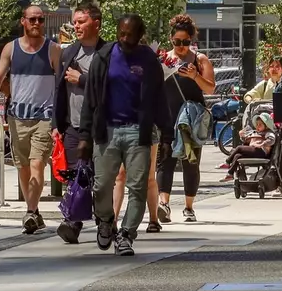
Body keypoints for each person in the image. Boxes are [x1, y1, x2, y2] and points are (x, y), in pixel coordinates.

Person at [79, 13, 173, 256]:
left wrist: (166, 136)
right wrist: (84, 137)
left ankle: (127, 235)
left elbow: (159, 100)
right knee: (101, 186)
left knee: (137, 187)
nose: (125, 38)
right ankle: (106, 221)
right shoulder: (104, 57)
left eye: (130, 34)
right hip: (106, 131)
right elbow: (91, 99)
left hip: (137, 132)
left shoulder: (149, 60)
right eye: (121, 32)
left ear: (140, 35)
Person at [0, 3, 61, 235]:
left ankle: (29, 212)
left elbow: (61, 85)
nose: (36, 23)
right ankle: (35, 210)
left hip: (44, 118)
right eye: (32, 19)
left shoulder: (53, 50)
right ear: (23, 21)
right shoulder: (11, 49)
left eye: (40, 19)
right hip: (17, 117)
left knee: (37, 163)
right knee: (24, 167)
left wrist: (61, 119)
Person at [52, 3, 111, 244]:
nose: (76, 26)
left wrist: (82, 79)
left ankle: (103, 222)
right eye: (74, 21)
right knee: (76, 176)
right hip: (73, 127)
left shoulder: (108, 53)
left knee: (100, 179)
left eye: (81, 21)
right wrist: (57, 123)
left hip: (101, 128)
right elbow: (58, 90)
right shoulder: (68, 54)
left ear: (96, 24)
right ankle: (73, 221)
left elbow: (111, 88)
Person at [158, 14, 215, 224]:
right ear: (171, 40)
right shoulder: (164, 60)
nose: (181, 46)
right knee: (165, 161)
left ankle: (189, 207)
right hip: (168, 116)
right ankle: (164, 204)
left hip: (192, 120)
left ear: (192, 41)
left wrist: (195, 76)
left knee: (191, 162)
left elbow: (210, 87)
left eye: (185, 42)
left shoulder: (199, 60)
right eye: (177, 42)